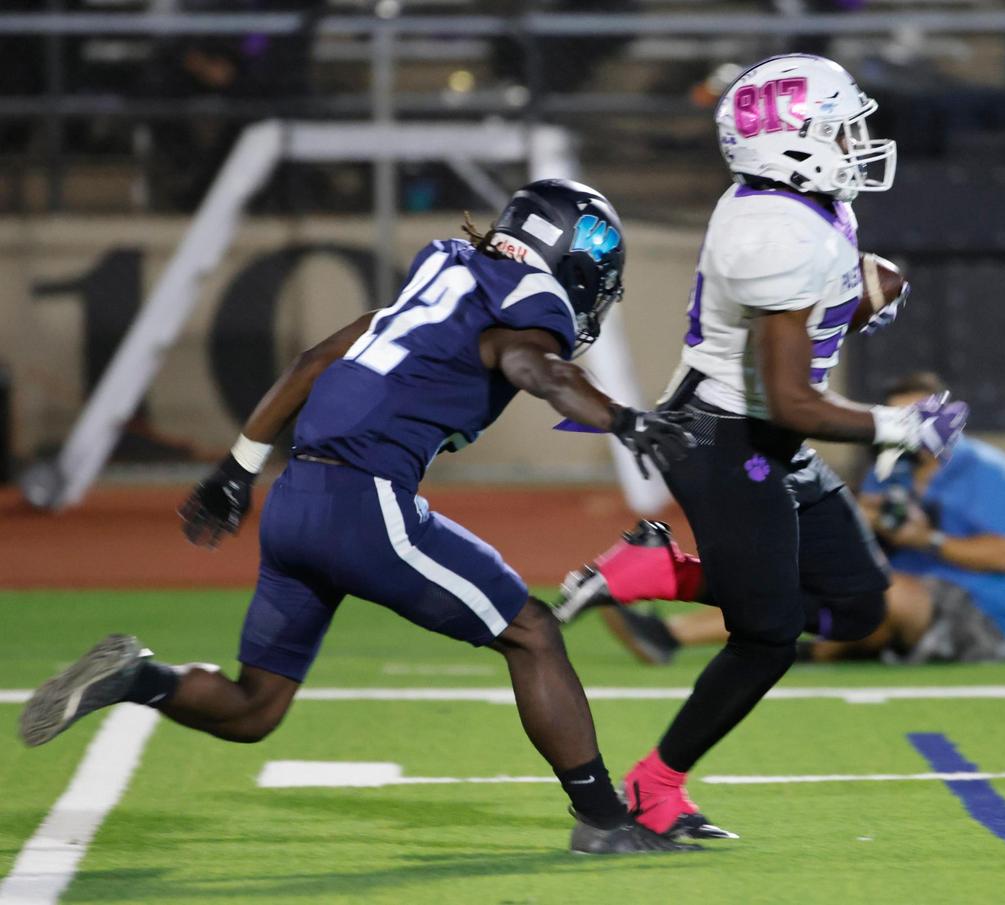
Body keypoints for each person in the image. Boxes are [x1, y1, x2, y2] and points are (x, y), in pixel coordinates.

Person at [18, 179, 698, 855]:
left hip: (295, 497)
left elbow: (314, 360)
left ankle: (137, 675)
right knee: (532, 631)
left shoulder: (446, 274)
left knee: (256, 707)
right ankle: (606, 820)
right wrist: (624, 419)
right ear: (573, 258)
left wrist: (236, 467)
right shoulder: (530, 300)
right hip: (364, 502)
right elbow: (535, 367)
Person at [555, 54, 968, 842]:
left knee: (856, 605)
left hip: (759, 432)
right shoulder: (772, 233)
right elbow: (791, 398)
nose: (857, 139)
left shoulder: (800, 208)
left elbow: (800, 345)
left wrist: (863, 288)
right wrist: (901, 425)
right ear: (793, 141)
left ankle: (654, 570)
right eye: (840, 127)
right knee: (769, 634)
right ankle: (653, 786)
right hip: (721, 435)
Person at [558, 372, 1005, 668]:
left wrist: (925, 537)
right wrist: (868, 519)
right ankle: (676, 624)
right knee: (807, 580)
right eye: (896, 418)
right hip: (896, 602)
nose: (902, 430)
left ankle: (676, 612)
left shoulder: (988, 469)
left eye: (913, 418)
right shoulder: (890, 468)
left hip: (983, 618)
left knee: (878, 596)